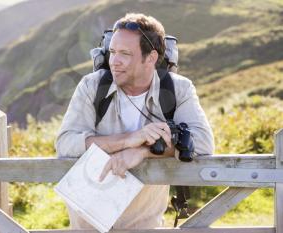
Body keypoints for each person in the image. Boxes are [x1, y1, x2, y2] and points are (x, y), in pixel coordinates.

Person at [56, 13, 214, 229]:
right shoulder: (91, 86)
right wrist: (129, 139)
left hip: (144, 223)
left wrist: (142, 151)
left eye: (125, 53)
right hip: (88, 223)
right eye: (112, 52)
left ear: (150, 57)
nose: (114, 61)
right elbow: (65, 143)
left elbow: (203, 144)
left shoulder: (179, 89)